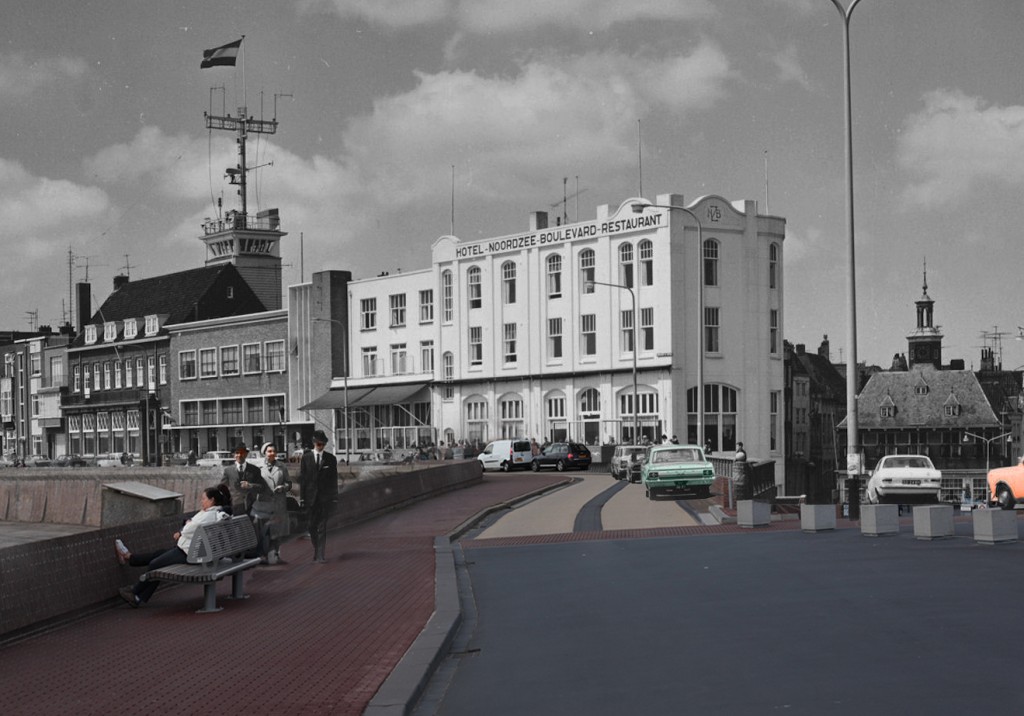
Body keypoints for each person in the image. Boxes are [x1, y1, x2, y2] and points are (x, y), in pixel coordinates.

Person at [114, 484, 231, 607]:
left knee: (156, 564)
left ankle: (135, 592)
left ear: (212, 500)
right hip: (196, 550)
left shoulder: (208, 515)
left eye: (203, 499)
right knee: (158, 555)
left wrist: (185, 528)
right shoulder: (214, 512)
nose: (201, 501)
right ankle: (129, 560)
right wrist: (188, 525)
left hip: (191, 553)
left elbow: (188, 529)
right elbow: (191, 527)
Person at [243, 443, 292, 563]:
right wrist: (251, 486)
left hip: (278, 504)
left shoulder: (282, 466)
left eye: (274, 451)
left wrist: (283, 487)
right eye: (269, 451)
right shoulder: (257, 467)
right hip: (263, 505)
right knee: (263, 532)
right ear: (264, 453)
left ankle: (275, 556)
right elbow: (252, 484)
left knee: (277, 532)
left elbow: (289, 483)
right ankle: (263, 556)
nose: (272, 454)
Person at [300, 430, 339, 563]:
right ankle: (317, 548)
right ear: (314, 443)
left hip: (325, 499)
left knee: (322, 527)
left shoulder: (331, 459)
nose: (320, 446)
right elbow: (303, 480)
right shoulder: (306, 458)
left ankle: (321, 555)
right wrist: (302, 498)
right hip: (310, 499)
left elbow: (334, 480)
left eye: (322, 444)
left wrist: (335, 497)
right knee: (311, 526)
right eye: (318, 443)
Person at [222, 441, 261, 514]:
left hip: (252, 507)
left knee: (251, 525)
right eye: (237, 453)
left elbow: (261, 487)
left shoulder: (255, 470)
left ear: (246, 454)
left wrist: (250, 485)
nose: (239, 455)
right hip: (235, 506)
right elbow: (223, 488)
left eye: (242, 453)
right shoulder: (228, 471)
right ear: (233, 455)